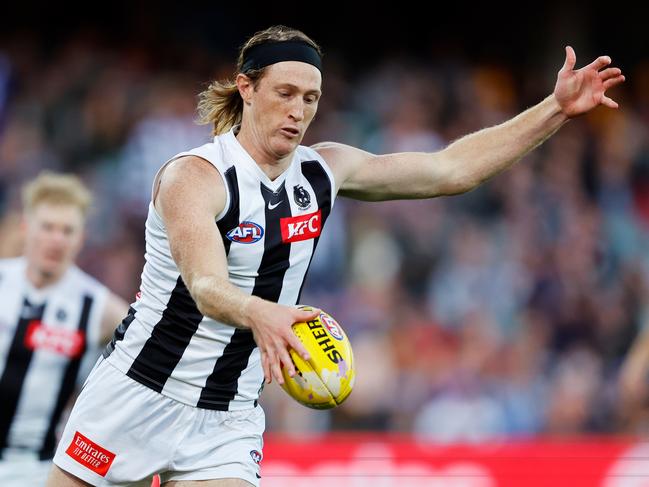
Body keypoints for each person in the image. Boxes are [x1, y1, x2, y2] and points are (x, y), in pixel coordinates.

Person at [47, 25, 625, 487]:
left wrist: (553, 108)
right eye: (285, 94)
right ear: (246, 89)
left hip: (227, 414)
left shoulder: (323, 170)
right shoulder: (194, 177)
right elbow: (204, 285)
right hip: (137, 392)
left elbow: (452, 169)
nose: (298, 111)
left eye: (311, 98)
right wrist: (265, 313)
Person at [0, 171, 129, 486]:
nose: (56, 239)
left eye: (67, 230)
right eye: (47, 227)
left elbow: (151, 348)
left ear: (81, 238)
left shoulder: (99, 306)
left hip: (36, 467)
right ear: (26, 228)